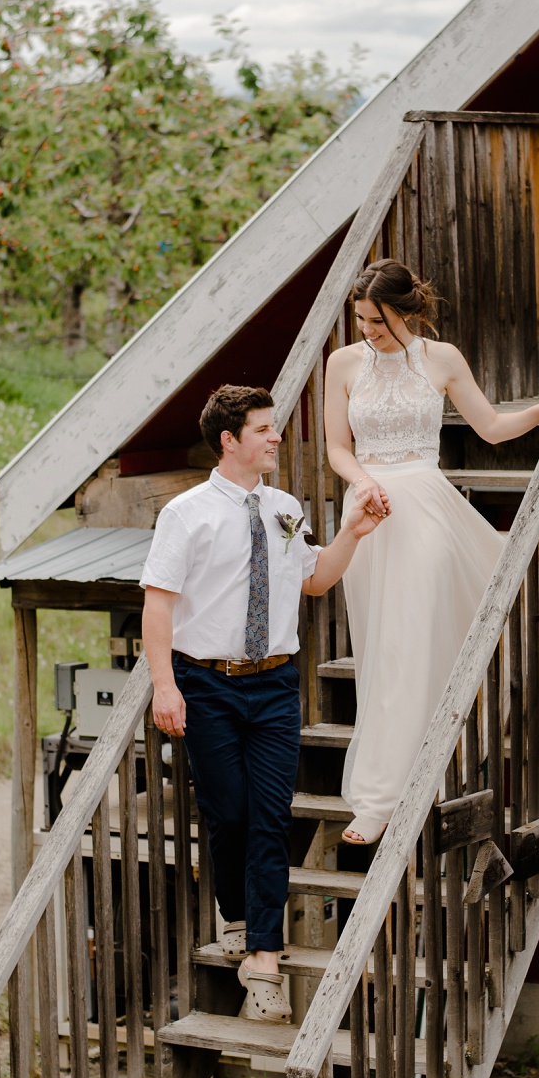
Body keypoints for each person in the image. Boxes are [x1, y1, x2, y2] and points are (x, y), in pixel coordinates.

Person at [324, 260, 539, 846]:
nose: (369, 331)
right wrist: (361, 481)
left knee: (416, 636)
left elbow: (491, 426)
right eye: (362, 320)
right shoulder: (342, 364)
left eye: (380, 321)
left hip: (426, 506)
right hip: (370, 513)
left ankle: (397, 792)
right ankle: (384, 792)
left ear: (408, 313)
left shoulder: (442, 359)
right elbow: (337, 448)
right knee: (383, 647)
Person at [141, 383, 383, 1023]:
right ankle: (238, 911)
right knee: (230, 814)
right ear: (230, 440)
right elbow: (158, 604)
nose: (277, 438)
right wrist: (165, 685)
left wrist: (352, 534)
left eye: (275, 428)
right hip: (207, 683)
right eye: (265, 429)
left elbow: (314, 579)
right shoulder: (186, 514)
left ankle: (264, 960)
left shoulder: (284, 507)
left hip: (276, 682)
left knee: (272, 815)